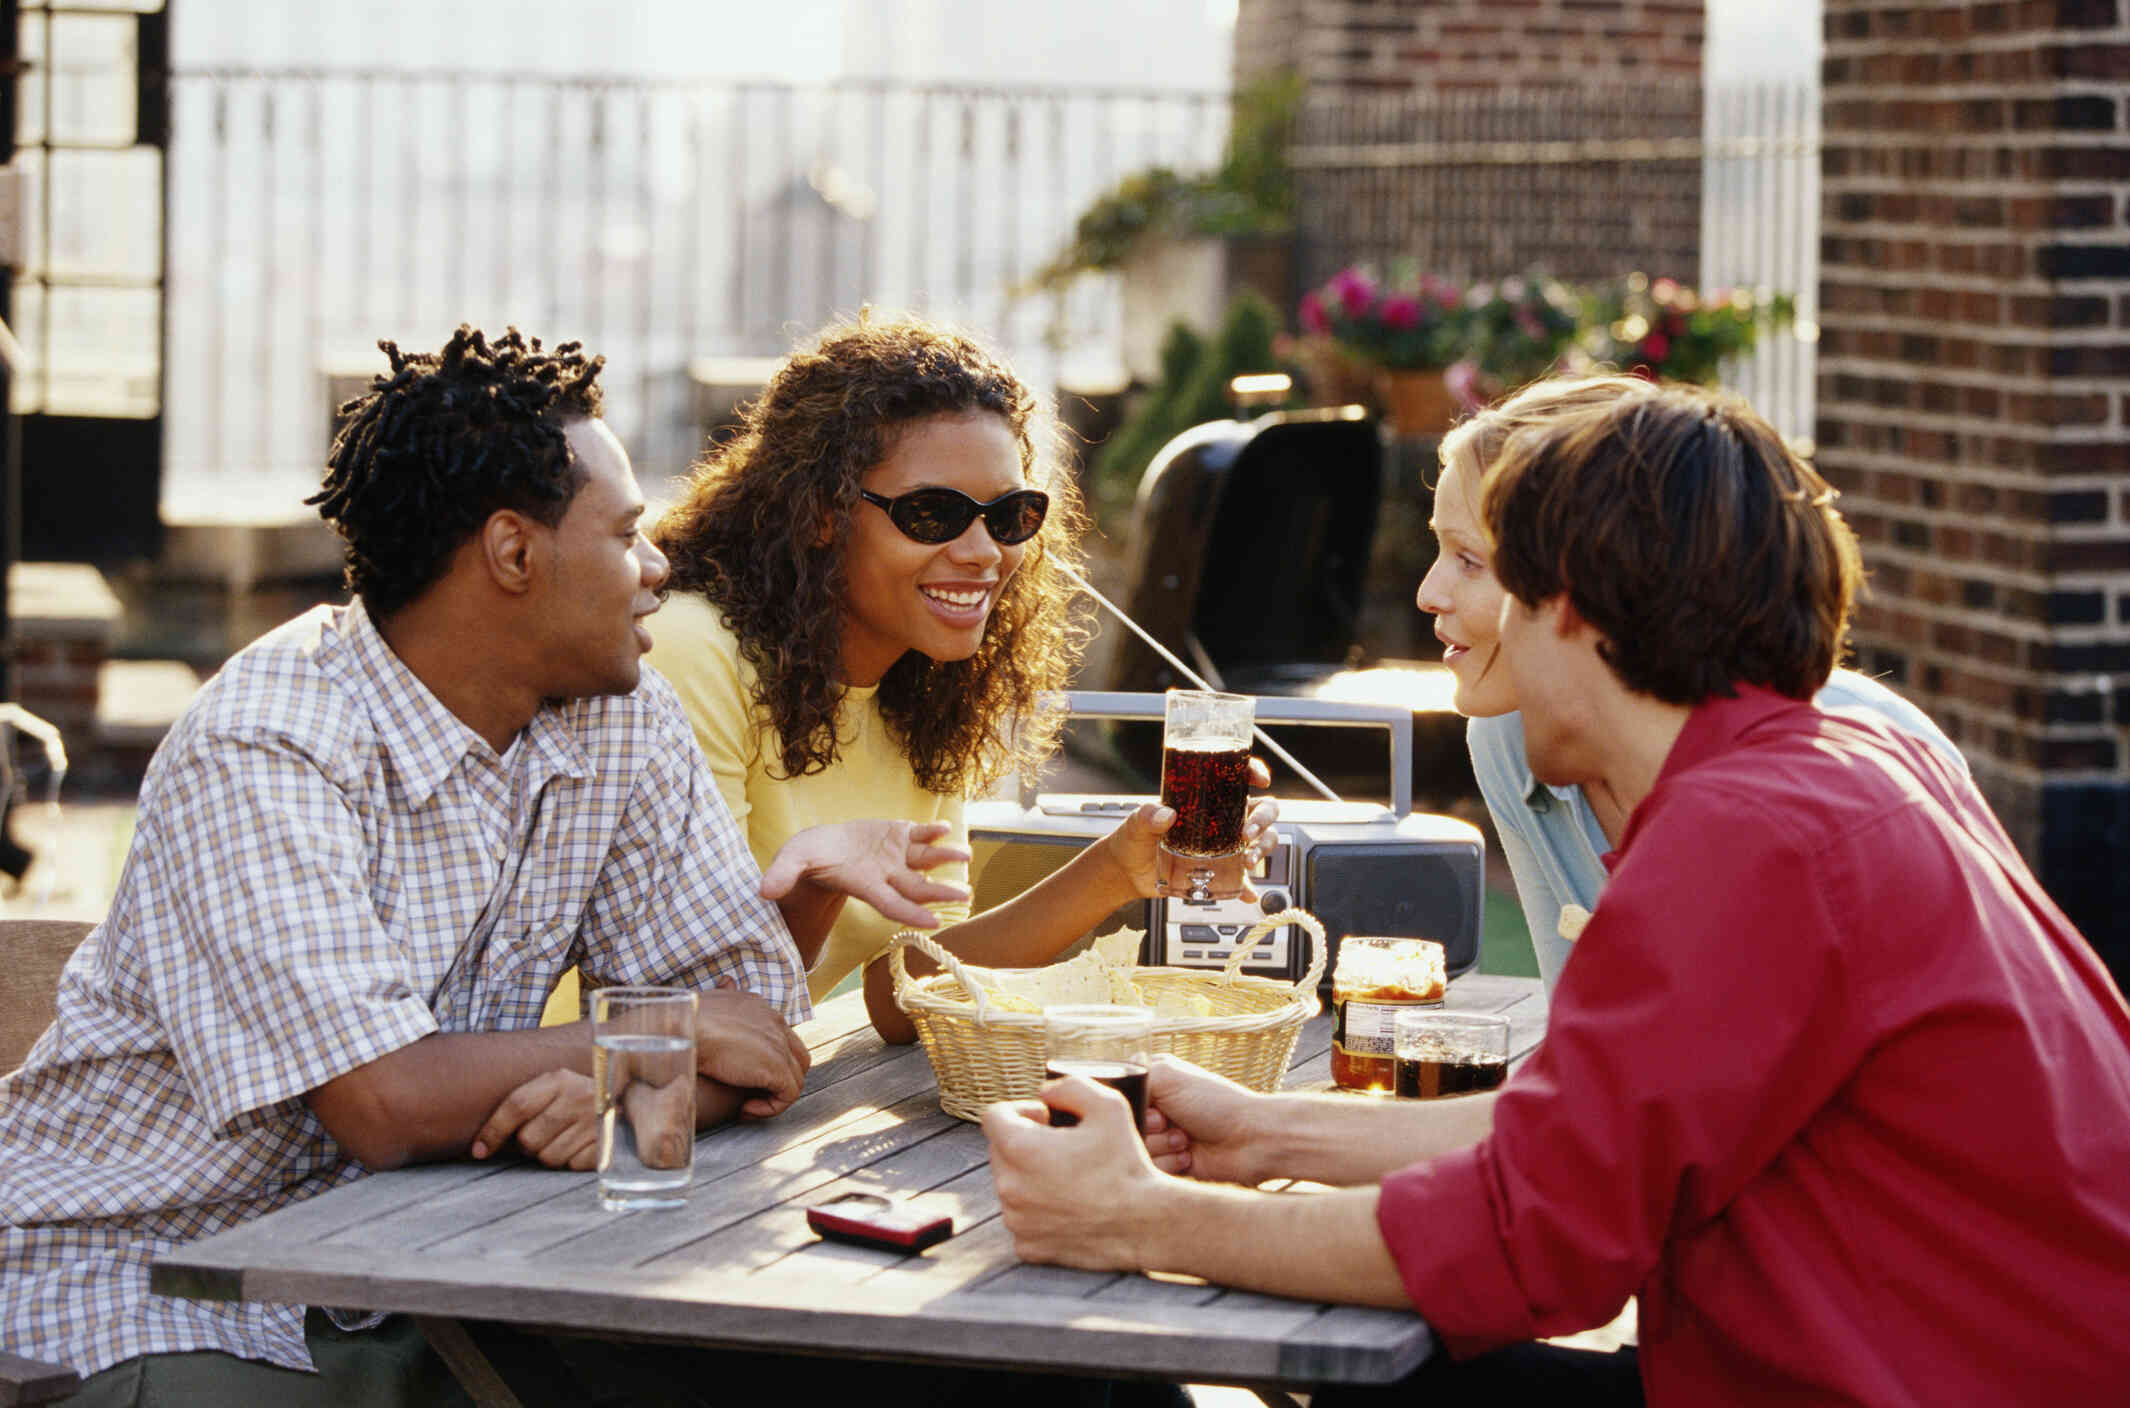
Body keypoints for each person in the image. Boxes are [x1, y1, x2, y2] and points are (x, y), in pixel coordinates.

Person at [983, 380, 2130, 1403]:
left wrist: (1137, 1217)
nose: (1444, 598)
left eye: (1487, 569)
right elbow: (1590, 1136)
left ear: (1570, 601)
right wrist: (1264, 1130)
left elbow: (1532, 1245)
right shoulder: (1829, 768)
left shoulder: (1750, 834)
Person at [0, 326, 966, 1404]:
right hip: (147, 1297)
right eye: (628, 534)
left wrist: (632, 1080)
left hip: (432, 1272)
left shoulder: (620, 717)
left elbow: (754, 1031)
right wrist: (649, 1039)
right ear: (513, 554)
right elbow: (384, 1098)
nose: (659, 569)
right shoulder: (267, 742)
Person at [647, 314, 1274, 1043]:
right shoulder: (693, 652)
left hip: (750, 1100)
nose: (983, 552)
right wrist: (818, 889)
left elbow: (908, 989)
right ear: (818, 514)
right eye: (932, 513)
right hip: (592, 1104)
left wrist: (1120, 870)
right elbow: (696, 1004)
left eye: (1011, 515)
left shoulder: (923, 688)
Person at [1416, 373, 1967, 991]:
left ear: (1599, 584)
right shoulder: (1508, 737)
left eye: (1469, 560)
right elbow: (1585, 1051)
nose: (1427, 594)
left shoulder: (1835, 766)